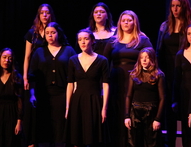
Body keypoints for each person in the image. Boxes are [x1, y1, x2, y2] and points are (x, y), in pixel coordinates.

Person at [103, 10, 153, 147]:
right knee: (118, 115)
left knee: (133, 114)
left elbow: (152, 60)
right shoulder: (113, 41)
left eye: (129, 20)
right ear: (119, 23)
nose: (126, 22)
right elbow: (103, 62)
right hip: (116, 82)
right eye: (123, 20)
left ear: (135, 22)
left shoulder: (143, 40)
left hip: (136, 82)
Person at [28, 22, 76, 147]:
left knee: (60, 124)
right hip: (43, 95)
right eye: (47, 33)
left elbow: (75, 73)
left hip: (62, 94)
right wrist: (32, 94)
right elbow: (32, 75)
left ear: (58, 33)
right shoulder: (39, 52)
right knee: (45, 125)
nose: (50, 35)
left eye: (53, 32)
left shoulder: (69, 50)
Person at [156, 0, 191, 146]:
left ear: (184, 6)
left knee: (183, 109)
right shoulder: (165, 26)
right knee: (168, 111)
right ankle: (169, 143)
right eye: (172, 6)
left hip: (183, 71)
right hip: (167, 72)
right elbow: (159, 50)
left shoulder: (190, 25)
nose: (175, 8)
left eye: (178, 5)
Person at [64, 29, 110, 147]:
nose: (82, 42)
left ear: (92, 41)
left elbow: (105, 84)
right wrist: (68, 107)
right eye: (80, 40)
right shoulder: (73, 60)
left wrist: (104, 108)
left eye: (86, 39)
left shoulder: (102, 60)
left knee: (93, 137)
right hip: (77, 101)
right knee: (76, 137)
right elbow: (70, 84)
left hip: (94, 100)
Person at [23, 3, 56, 147]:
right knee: (34, 107)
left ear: (50, 15)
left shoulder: (54, 31)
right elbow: (27, 57)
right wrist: (25, 77)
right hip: (36, 73)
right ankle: (33, 141)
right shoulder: (32, 33)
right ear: (38, 15)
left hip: (50, 73)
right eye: (42, 12)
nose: (44, 15)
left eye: (47, 12)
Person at [124, 47, 165, 147]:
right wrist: (127, 116)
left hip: (150, 113)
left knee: (151, 142)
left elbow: (162, 98)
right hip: (135, 113)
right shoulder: (134, 75)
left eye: (147, 57)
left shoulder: (158, 75)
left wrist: (158, 118)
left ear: (152, 59)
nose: (144, 60)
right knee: (134, 142)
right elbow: (129, 96)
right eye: (142, 58)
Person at [0, 48, 23, 147]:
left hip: (11, 114)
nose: (6, 60)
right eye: (4, 57)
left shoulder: (17, 78)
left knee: (10, 141)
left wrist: (19, 121)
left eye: (10, 58)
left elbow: (20, 101)